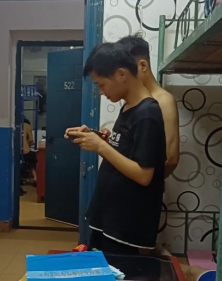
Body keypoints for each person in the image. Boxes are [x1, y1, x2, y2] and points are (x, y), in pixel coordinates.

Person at [66, 43, 166, 255]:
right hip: (110, 218)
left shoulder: (148, 113)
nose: (101, 92)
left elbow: (144, 175)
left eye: (101, 85)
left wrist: (101, 147)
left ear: (121, 74)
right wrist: (99, 138)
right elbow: (129, 152)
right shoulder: (129, 107)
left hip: (126, 227)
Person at [117, 35, 180, 179]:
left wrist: (149, 185)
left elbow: (171, 159)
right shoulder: (132, 100)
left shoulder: (163, 101)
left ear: (143, 66)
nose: (123, 78)